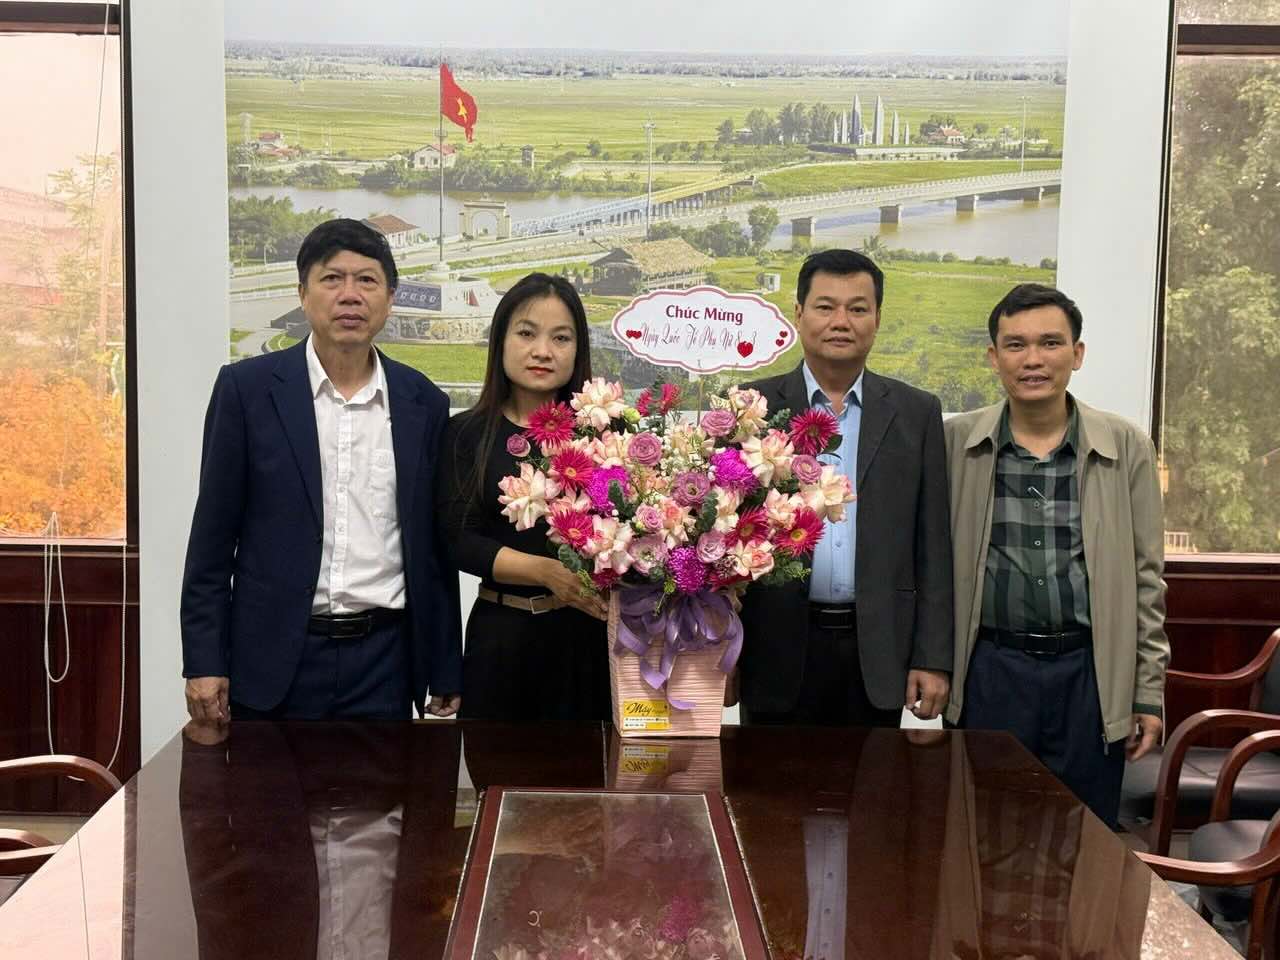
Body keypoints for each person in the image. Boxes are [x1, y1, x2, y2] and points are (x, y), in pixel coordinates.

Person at [180, 218, 461, 722]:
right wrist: (203, 660)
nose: (349, 295)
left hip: (386, 662)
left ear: (390, 297)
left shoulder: (424, 403)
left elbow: (430, 549)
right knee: (267, 803)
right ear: (303, 293)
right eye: (332, 279)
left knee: (385, 803)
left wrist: (444, 664)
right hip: (273, 661)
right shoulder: (247, 392)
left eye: (367, 280)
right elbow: (211, 540)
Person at [943, 283, 1169, 827]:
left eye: (1050, 343)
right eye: (1016, 345)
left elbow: (1147, 579)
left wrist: (1146, 691)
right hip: (990, 671)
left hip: (1089, 675)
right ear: (994, 357)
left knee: (1085, 842)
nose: (1034, 359)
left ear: (1077, 354)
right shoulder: (954, 443)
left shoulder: (1126, 446)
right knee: (985, 838)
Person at [737, 249, 953, 726]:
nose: (841, 321)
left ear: (876, 318)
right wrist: (721, 654)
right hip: (774, 648)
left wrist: (933, 657)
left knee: (876, 794)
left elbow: (933, 545)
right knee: (768, 797)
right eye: (825, 306)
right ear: (798, 314)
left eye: (857, 308)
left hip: (877, 651)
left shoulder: (916, 414)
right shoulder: (752, 407)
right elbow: (723, 539)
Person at [435, 273, 610, 722]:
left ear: (578, 349)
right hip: (501, 641)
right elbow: (458, 539)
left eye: (561, 338)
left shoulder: (608, 435)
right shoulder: (464, 435)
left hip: (589, 641)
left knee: (593, 786)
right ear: (501, 341)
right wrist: (545, 572)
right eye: (527, 333)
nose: (543, 351)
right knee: (496, 781)